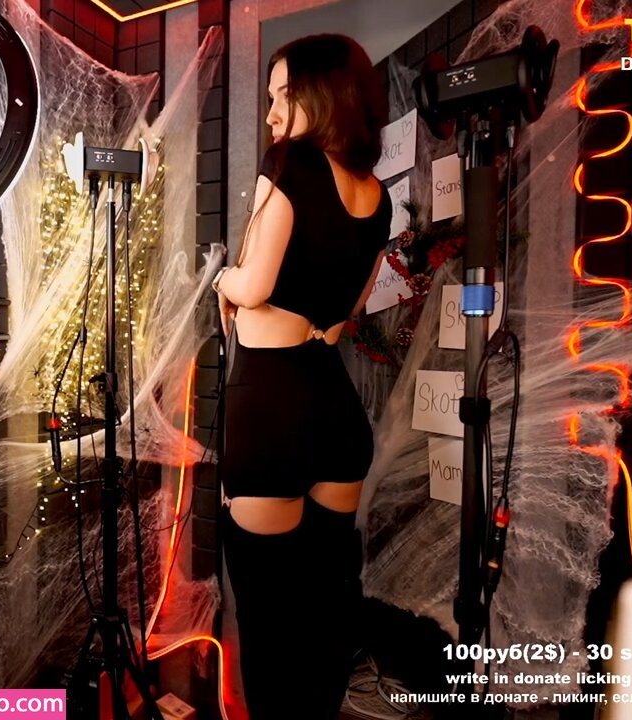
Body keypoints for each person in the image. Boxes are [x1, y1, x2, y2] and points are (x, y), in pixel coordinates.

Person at [212, 34, 391, 719]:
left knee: (268, 617)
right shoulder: (377, 196)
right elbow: (348, 312)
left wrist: (224, 281)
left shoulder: (290, 163)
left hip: (272, 409)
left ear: (322, 94)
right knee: (324, 605)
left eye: (282, 95)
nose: (271, 113)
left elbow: (255, 285)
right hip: (335, 411)